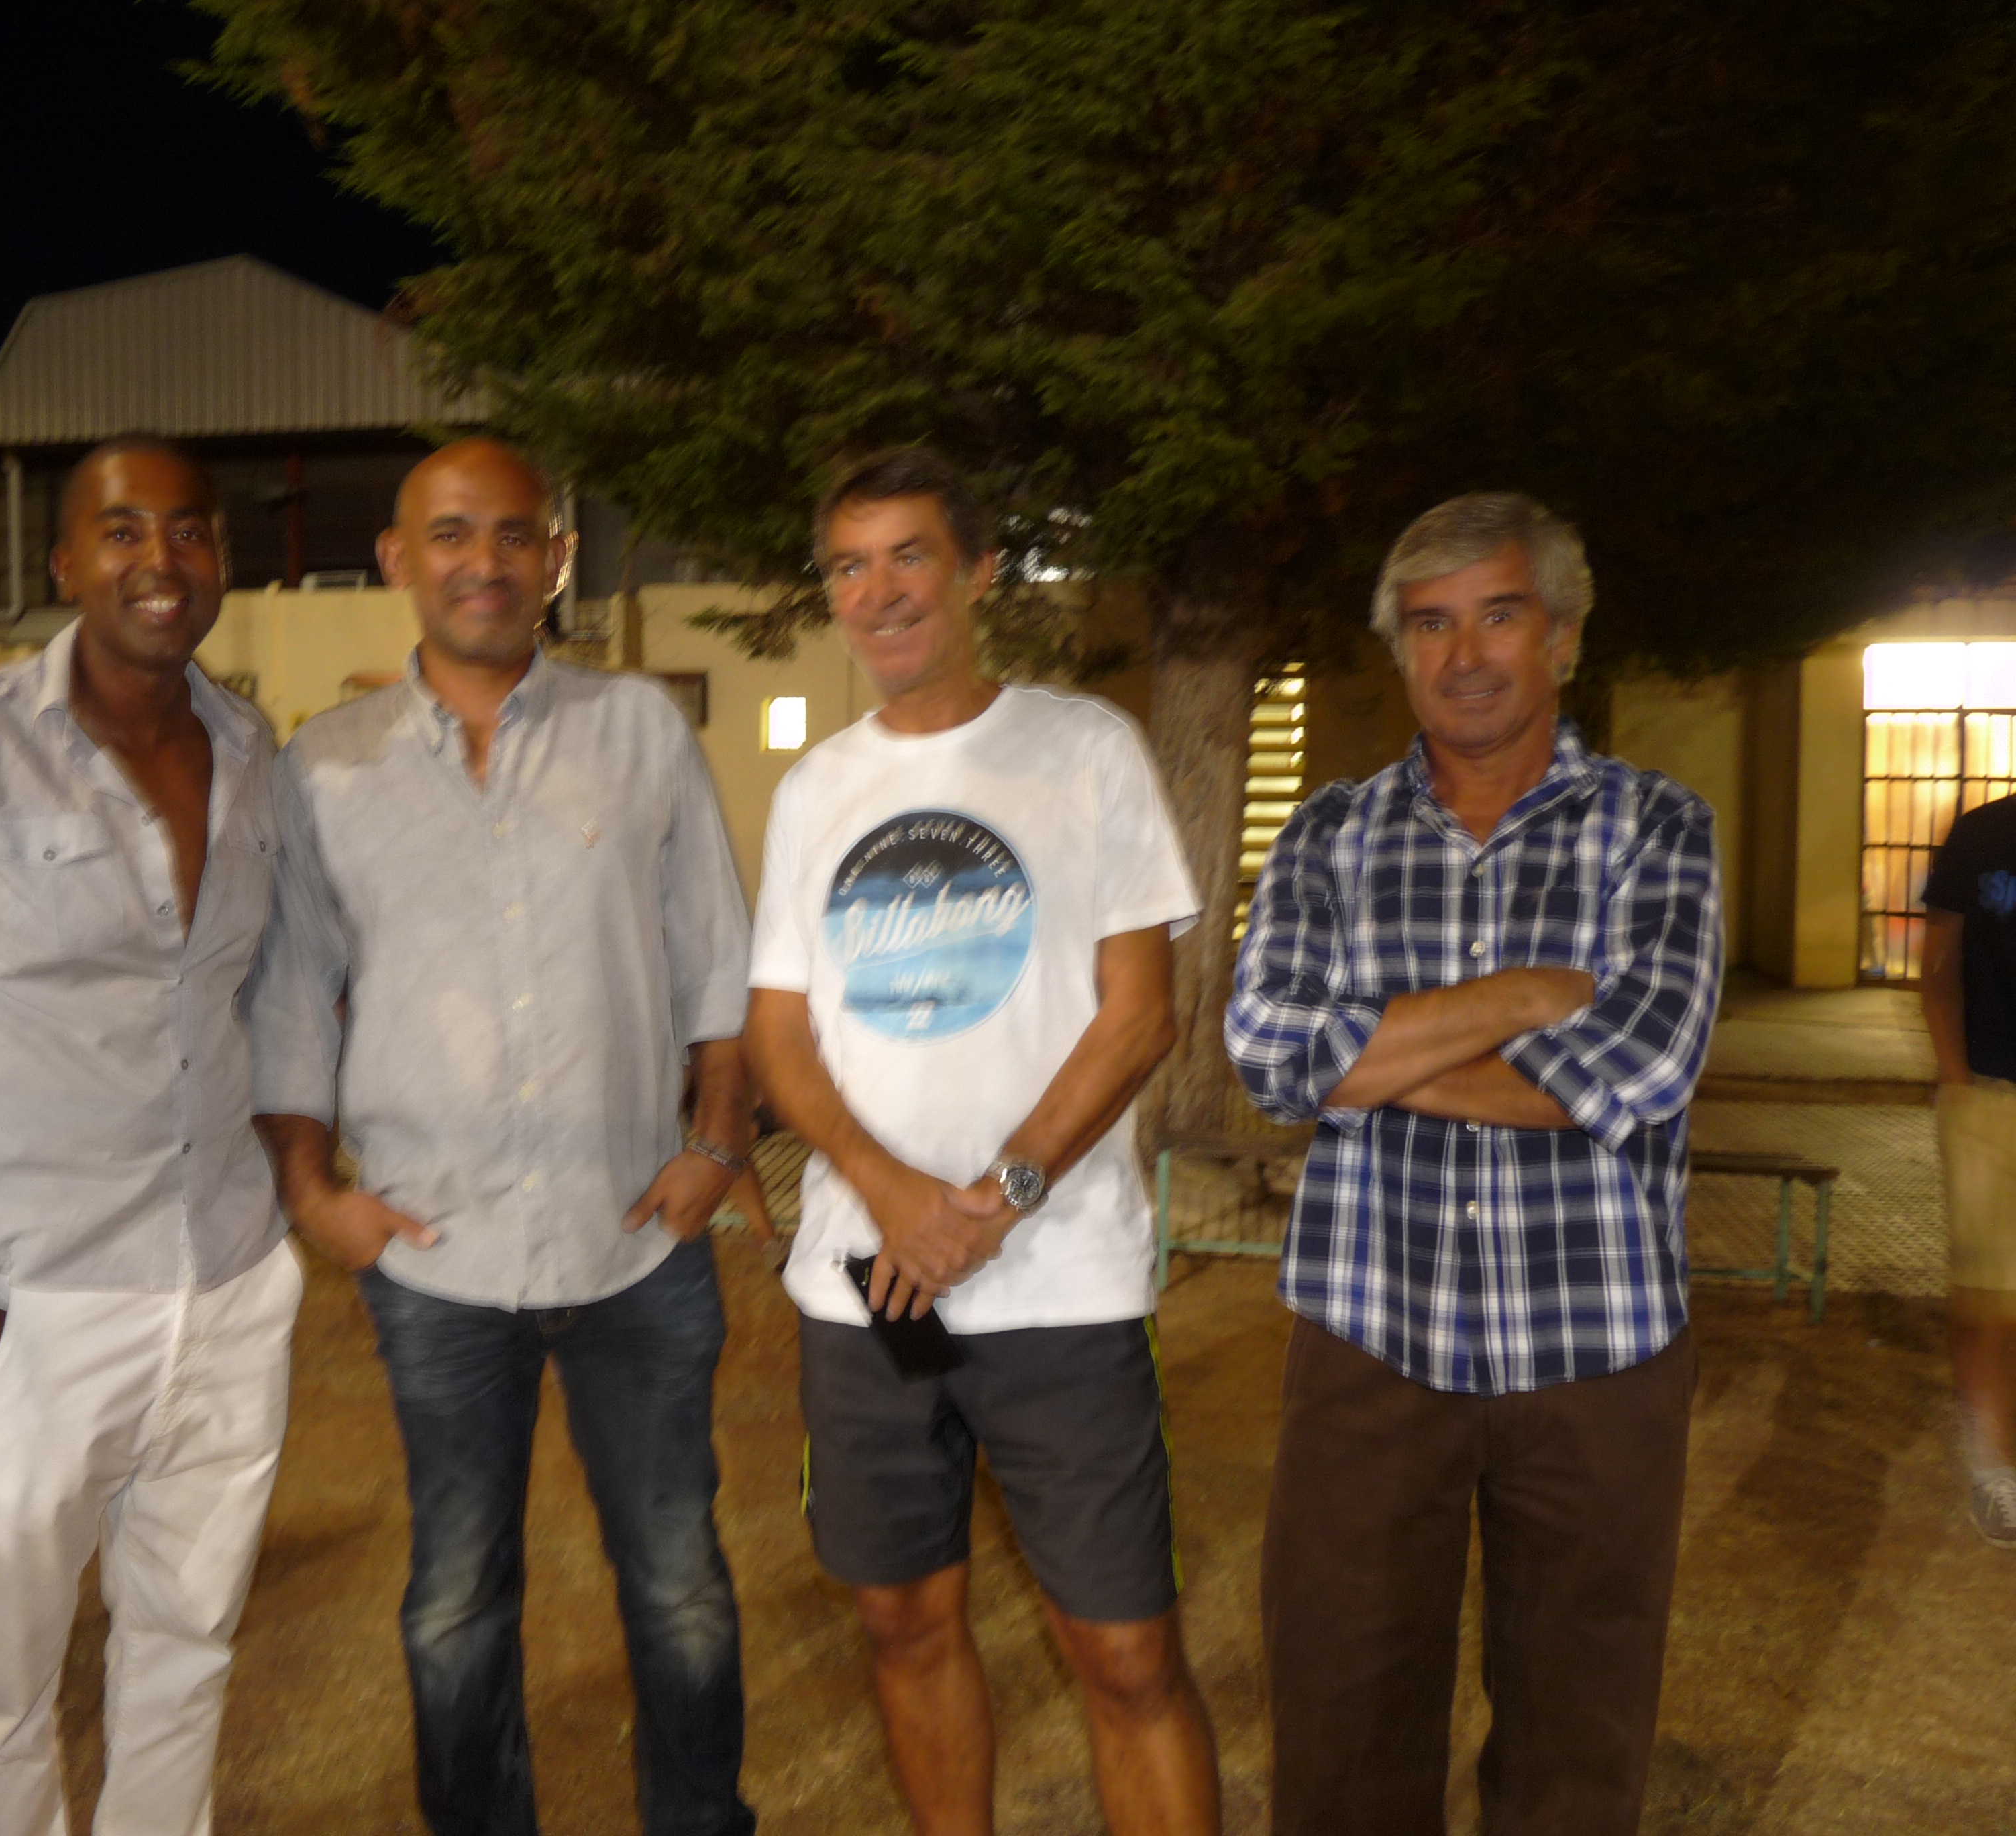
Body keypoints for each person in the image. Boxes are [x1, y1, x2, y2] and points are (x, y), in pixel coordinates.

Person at [247, 436, 760, 1836]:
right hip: (437, 1262)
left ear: (557, 559)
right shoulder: (324, 769)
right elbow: (291, 997)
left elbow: (718, 961)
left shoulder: (639, 732)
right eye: (452, 534)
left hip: (636, 1251)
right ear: (397, 560)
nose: (485, 562)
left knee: (681, 1588)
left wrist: (718, 1143)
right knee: (455, 1600)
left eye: (514, 534)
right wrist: (313, 1191)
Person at [0, 438, 302, 1836]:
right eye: (123, 531)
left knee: (188, 1650)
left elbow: (261, 998)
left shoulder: (251, 750)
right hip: (34, 1303)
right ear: (65, 561)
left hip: (228, 1287)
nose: (161, 561)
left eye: (189, 530)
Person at [1226, 492, 1721, 1836]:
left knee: (1576, 1734)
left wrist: (1369, 1058)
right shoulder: (1327, 835)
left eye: (1497, 616)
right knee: (1340, 1718)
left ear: (1562, 635)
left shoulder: (1658, 827)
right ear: (1401, 652)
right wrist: (1522, 997)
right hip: (1368, 1335)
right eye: (1430, 625)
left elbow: (1640, 1070)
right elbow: (1269, 1054)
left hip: (1596, 1345)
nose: (1464, 654)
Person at [743, 448, 1220, 1836]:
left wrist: (995, 1200)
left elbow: (1140, 1016)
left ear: (978, 573)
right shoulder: (815, 789)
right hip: (871, 1292)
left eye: (909, 556)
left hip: (1059, 1286)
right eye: (849, 566)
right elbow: (779, 1036)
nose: (879, 591)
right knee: (902, 1622)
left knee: (1124, 1651)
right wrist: (893, 1195)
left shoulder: (1085, 750)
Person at [1919, 799, 2016, 1547]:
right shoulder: (1984, 834)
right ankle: (1992, 1468)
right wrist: (1957, 1081)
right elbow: (1938, 966)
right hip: (1990, 1092)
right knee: (1989, 1297)